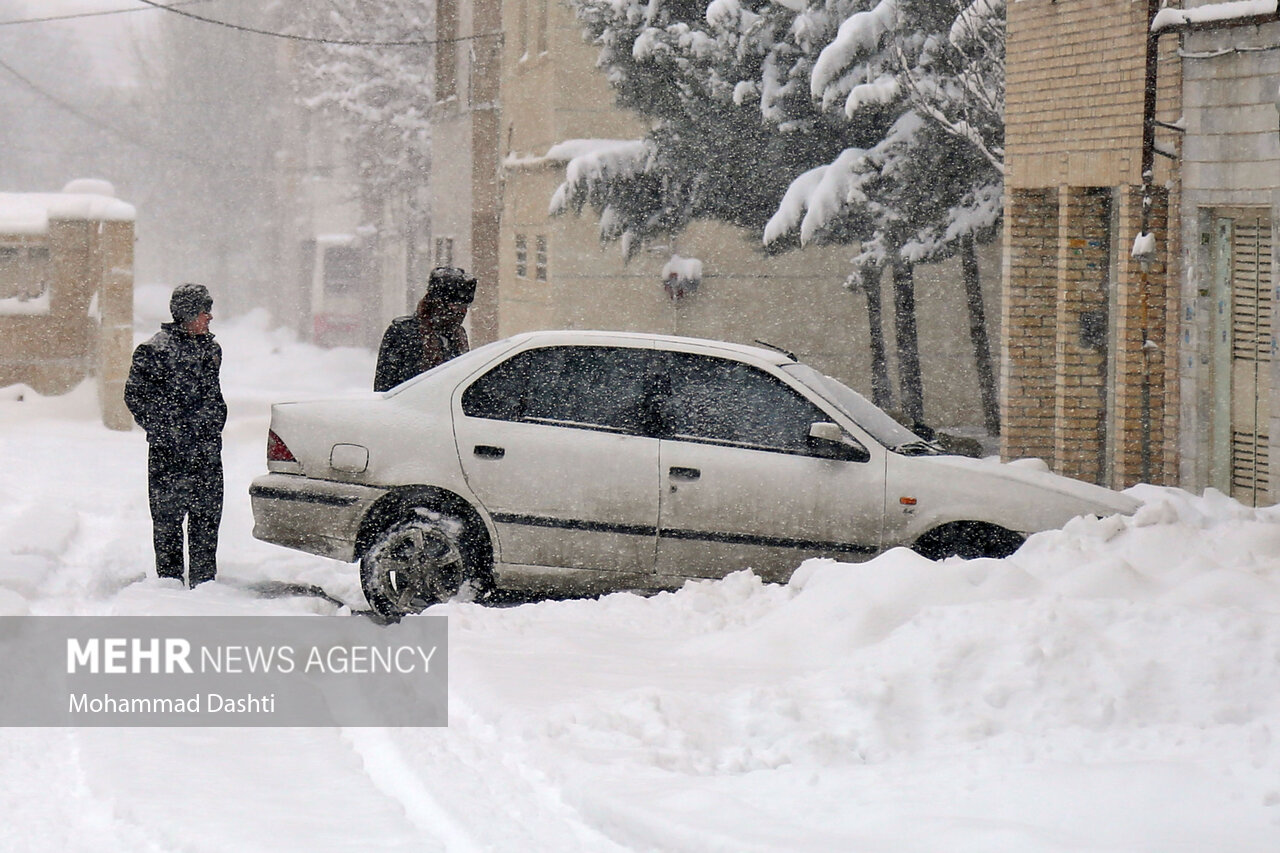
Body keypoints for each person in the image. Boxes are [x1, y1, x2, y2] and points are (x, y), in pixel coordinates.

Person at [125, 283, 226, 587]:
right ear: (186, 313)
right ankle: (168, 588)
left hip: (207, 455)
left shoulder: (211, 349)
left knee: (207, 522)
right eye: (203, 310)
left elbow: (212, 397)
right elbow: (136, 397)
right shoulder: (153, 351)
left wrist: (212, 424)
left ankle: (205, 586)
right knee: (168, 524)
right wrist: (168, 432)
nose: (209, 316)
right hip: (169, 457)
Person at [374, 266, 476, 391]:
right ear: (437, 303)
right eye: (455, 305)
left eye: (466, 305)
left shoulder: (458, 335)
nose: (462, 311)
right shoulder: (402, 332)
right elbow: (385, 388)